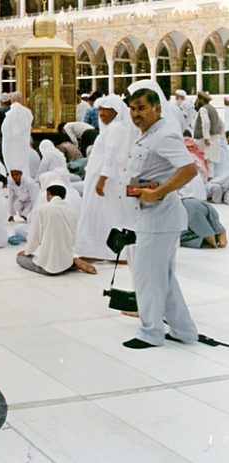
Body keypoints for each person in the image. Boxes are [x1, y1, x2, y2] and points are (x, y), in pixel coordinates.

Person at [119, 80, 201, 349]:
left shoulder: (164, 134)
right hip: (149, 217)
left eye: (141, 108)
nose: (135, 114)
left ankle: (151, 333)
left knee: (148, 277)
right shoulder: (149, 133)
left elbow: (189, 169)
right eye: (132, 109)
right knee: (161, 276)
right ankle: (184, 330)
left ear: (157, 108)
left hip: (159, 217)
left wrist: (159, 192)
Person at [74, 95, 134, 261]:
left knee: (99, 214)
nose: (102, 113)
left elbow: (111, 156)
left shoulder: (115, 128)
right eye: (100, 109)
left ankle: (103, 251)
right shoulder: (112, 128)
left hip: (104, 179)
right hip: (101, 177)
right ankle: (100, 251)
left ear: (116, 111)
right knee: (101, 215)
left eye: (107, 110)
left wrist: (102, 180)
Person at [16, 183, 97, 275]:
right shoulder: (72, 212)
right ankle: (72, 261)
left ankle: (71, 261)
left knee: (20, 259)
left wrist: (26, 252)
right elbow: (73, 241)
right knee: (62, 257)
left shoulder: (42, 210)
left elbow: (34, 237)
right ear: (64, 196)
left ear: (48, 194)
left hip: (48, 267)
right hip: (65, 262)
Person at [2, 92, 34, 178]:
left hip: (10, 143)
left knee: (11, 162)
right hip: (23, 142)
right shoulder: (27, 112)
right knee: (23, 162)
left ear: (11, 99)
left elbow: (4, 128)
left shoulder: (8, 111)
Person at [194, 91, 224, 178]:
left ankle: (206, 180)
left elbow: (206, 122)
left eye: (198, 99)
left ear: (201, 100)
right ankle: (210, 178)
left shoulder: (203, 109)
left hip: (205, 139)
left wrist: (206, 137)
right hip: (215, 138)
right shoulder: (213, 109)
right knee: (210, 161)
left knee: (203, 159)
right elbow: (221, 124)